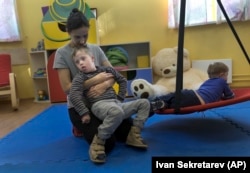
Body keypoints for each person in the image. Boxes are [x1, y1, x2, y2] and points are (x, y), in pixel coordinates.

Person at [53, 8, 133, 152]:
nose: (82, 40)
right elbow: (67, 88)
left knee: (129, 132)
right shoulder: (62, 53)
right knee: (107, 144)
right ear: (68, 32)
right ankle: (81, 126)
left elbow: (113, 73)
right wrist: (96, 80)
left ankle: (103, 122)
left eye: (85, 35)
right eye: (77, 37)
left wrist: (107, 83)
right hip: (80, 106)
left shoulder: (95, 49)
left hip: (104, 101)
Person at [69, 46, 150, 163]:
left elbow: (121, 79)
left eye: (83, 59)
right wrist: (84, 112)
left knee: (144, 103)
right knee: (116, 112)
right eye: (77, 62)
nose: (81, 63)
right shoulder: (80, 77)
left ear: (92, 58)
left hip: (115, 103)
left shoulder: (106, 70)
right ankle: (98, 142)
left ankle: (134, 134)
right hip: (99, 105)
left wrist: (120, 98)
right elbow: (73, 95)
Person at [151, 62, 235, 111]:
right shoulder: (222, 81)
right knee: (176, 104)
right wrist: (224, 96)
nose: (226, 77)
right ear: (222, 74)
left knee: (173, 96)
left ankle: (160, 102)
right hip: (197, 99)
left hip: (192, 93)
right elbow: (230, 96)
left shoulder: (206, 82)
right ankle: (163, 104)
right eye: (227, 75)